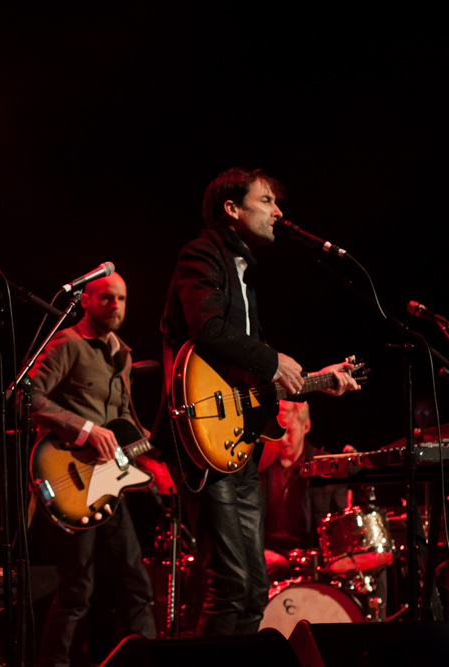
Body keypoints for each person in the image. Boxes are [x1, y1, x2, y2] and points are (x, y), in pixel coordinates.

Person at [159, 167, 358, 636]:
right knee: (230, 586)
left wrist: (316, 381)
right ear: (232, 208)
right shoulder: (202, 253)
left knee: (252, 592)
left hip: (241, 442)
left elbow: (248, 379)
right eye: (266, 200)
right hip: (204, 440)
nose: (278, 212)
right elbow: (206, 327)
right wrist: (272, 360)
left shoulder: (243, 272)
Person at [29, 272, 169, 667]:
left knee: (136, 585)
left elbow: (125, 424)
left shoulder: (123, 354)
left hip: (111, 483)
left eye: (122, 299)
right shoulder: (67, 343)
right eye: (107, 297)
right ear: (86, 301)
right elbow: (27, 397)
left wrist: (156, 456)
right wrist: (85, 429)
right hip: (70, 478)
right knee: (76, 590)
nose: (116, 306)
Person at [259, 400, 349, 580]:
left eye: (288, 431)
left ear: (306, 426)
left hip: (312, 559)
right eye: (278, 432)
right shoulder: (260, 466)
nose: (282, 439)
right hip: (268, 554)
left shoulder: (327, 466)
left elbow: (339, 529)